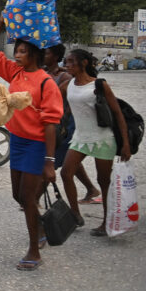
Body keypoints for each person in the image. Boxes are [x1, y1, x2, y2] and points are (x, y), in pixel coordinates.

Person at [0, 18, 63, 271]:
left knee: (28, 198)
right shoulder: (15, 72)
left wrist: (49, 162)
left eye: (22, 51)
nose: (17, 55)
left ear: (35, 54)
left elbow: (51, 123)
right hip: (17, 141)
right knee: (18, 195)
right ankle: (38, 227)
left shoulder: (46, 82)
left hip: (36, 146)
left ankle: (34, 250)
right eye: (16, 50)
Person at [60, 49, 131, 236]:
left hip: (103, 139)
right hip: (80, 138)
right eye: (66, 62)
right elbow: (62, 105)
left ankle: (107, 222)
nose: (67, 65)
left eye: (71, 62)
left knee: (104, 181)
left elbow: (117, 113)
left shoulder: (99, 85)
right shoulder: (68, 85)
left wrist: (125, 144)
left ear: (84, 63)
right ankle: (75, 215)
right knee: (66, 173)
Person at [43, 44, 101, 204]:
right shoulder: (48, 73)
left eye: (47, 53)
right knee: (70, 161)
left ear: (55, 56)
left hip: (68, 124)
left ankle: (33, 198)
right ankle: (90, 189)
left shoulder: (67, 78)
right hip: (61, 123)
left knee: (53, 160)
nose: (43, 56)